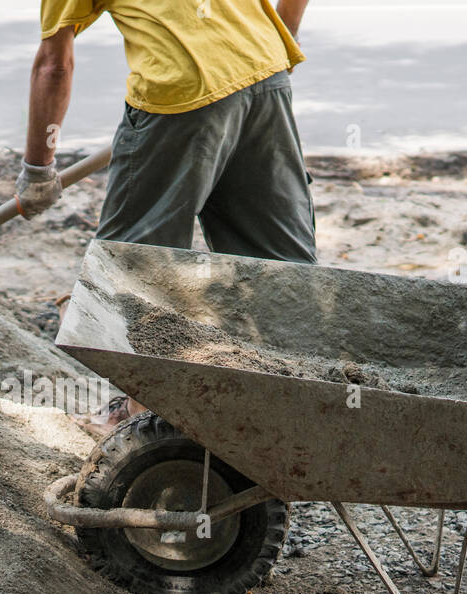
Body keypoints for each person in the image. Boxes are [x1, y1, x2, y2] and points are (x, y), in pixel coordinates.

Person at [16, 1, 316, 435]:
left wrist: (38, 169)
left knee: (134, 265)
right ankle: (279, 418)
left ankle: (143, 417)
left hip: (183, 89)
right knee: (277, 269)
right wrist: (279, 36)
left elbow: (54, 66)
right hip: (264, 69)